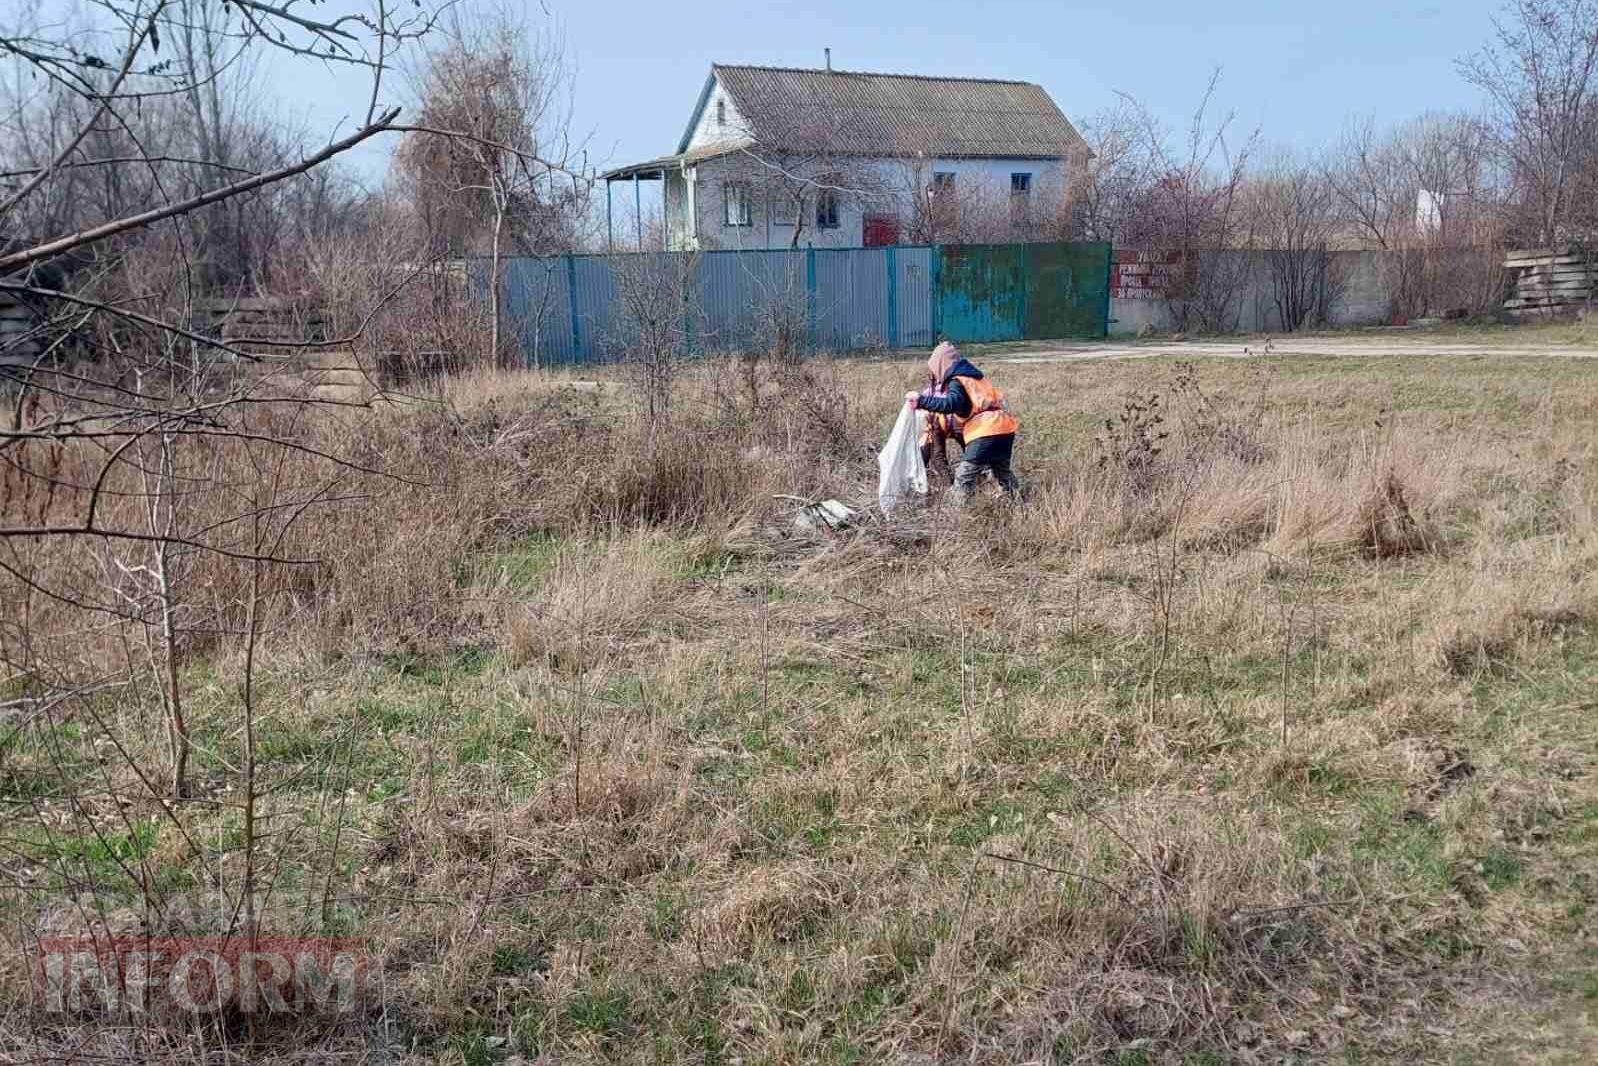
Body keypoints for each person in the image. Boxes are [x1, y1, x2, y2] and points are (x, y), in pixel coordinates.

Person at [905, 340, 1019, 503]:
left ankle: (957, 515)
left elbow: (951, 404)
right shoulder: (975, 378)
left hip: (986, 430)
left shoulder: (956, 381)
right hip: (1005, 428)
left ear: (940, 365)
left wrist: (921, 401)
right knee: (1003, 473)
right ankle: (1019, 503)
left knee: (963, 478)